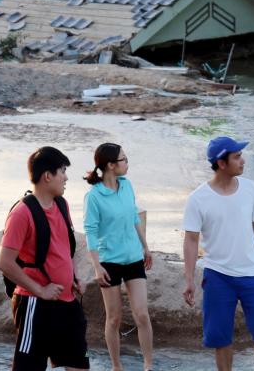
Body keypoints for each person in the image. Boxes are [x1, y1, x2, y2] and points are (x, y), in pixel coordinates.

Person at [182, 136, 254, 371]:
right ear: (221, 163)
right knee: (219, 337)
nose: (243, 161)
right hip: (218, 275)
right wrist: (189, 279)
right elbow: (191, 240)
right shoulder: (197, 198)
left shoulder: (250, 189)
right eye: (237, 157)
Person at [0, 146, 89, 371]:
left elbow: (66, 248)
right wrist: (40, 290)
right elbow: (5, 263)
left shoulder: (62, 204)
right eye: (63, 171)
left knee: (79, 366)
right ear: (47, 176)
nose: (66, 177)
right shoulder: (21, 213)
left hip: (68, 302)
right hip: (34, 305)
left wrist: (75, 277)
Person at [84, 143, 154, 371]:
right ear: (110, 165)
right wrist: (96, 266)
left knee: (142, 314)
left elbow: (134, 217)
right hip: (109, 262)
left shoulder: (127, 185)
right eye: (124, 159)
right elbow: (91, 232)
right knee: (113, 318)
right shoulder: (93, 196)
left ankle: (148, 365)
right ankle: (117, 367)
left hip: (133, 258)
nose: (127, 163)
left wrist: (145, 247)